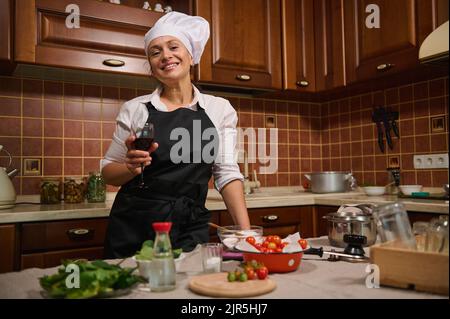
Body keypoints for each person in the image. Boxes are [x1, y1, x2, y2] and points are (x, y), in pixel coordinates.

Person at [102, 11, 251, 258]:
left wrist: (246, 235)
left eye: (173, 46)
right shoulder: (135, 109)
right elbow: (108, 170)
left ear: (191, 55)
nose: (166, 55)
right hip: (135, 224)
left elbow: (226, 172)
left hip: (190, 226)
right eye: (155, 51)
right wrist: (129, 168)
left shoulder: (219, 109)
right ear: (150, 66)